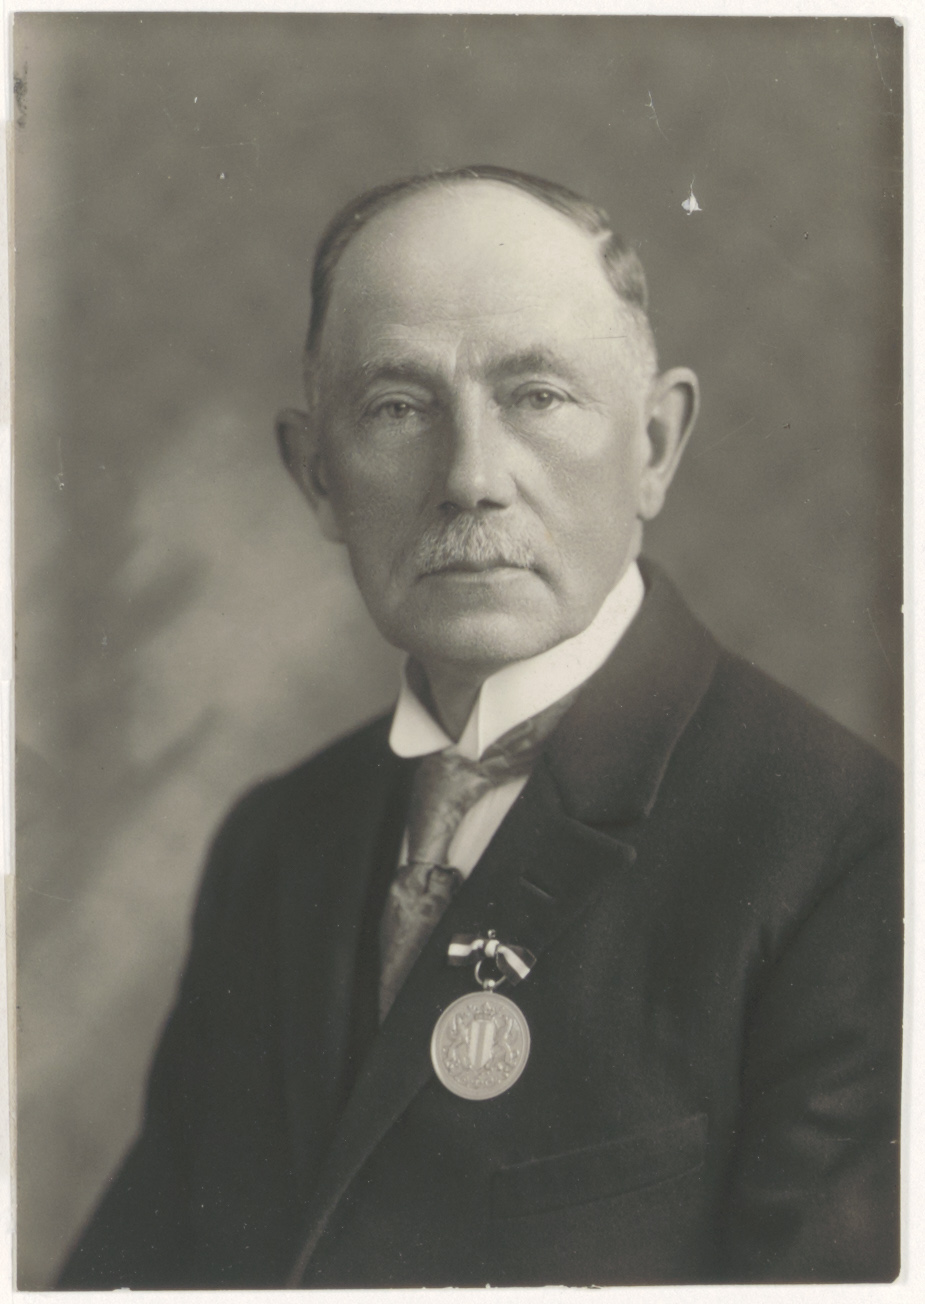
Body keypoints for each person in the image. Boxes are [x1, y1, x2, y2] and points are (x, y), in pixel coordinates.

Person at [57, 166, 902, 1289]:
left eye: (536, 396)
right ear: (317, 477)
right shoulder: (276, 843)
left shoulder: (848, 853)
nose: (470, 478)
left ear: (654, 445)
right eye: (397, 408)